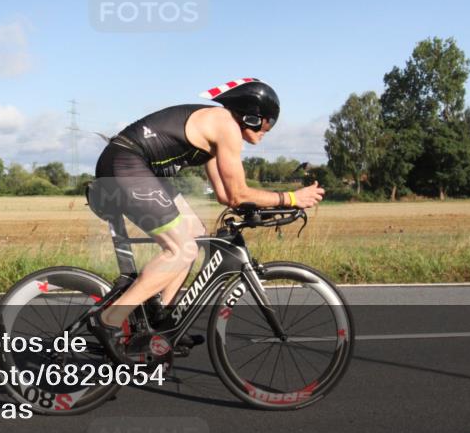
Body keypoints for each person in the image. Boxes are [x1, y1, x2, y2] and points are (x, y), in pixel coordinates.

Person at [87, 78, 325, 360]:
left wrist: (263, 208)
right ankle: (110, 320)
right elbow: (238, 194)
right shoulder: (226, 126)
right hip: (126, 164)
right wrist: (291, 199)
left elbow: (226, 196)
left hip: (135, 166)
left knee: (195, 233)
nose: (266, 132)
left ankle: (160, 317)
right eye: (267, 124)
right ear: (252, 115)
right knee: (181, 248)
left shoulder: (216, 131)